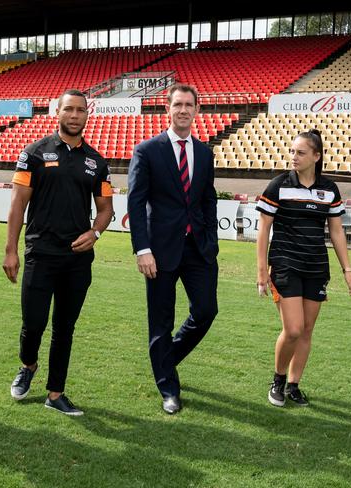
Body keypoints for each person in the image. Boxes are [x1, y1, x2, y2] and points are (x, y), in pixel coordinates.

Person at [3, 89, 113, 416]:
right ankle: (28, 365)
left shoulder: (97, 162)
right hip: (40, 255)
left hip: (77, 261)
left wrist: (95, 232)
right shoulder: (35, 153)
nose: (75, 115)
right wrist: (11, 251)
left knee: (65, 327)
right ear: (58, 112)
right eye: (69, 109)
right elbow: (17, 205)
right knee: (33, 324)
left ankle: (55, 394)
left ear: (86, 115)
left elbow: (106, 209)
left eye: (81, 110)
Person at [127, 83, 218, 415]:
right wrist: (142, 249)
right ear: (168, 109)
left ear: (197, 110)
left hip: (198, 249)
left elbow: (208, 199)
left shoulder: (205, 153)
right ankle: (168, 387)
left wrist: (211, 240)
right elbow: (135, 204)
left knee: (206, 311)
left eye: (188, 105)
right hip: (159, 251)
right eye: (177, 104)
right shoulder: (147, 150)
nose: (183, 110)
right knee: (160, 322)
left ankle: (165, 358)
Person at [256, 129, 351, 408]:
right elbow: (264, 229)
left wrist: (347, 269)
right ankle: (277, 380)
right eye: (292, 151)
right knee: (293, 329)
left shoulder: (330, 189)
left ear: (316, 156)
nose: (294, 157)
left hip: (315, 267)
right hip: (285, 265)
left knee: (307, 330)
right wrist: (262, 270)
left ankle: (293, 385)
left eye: (300, 153)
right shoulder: (278, 185)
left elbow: (336, 232)